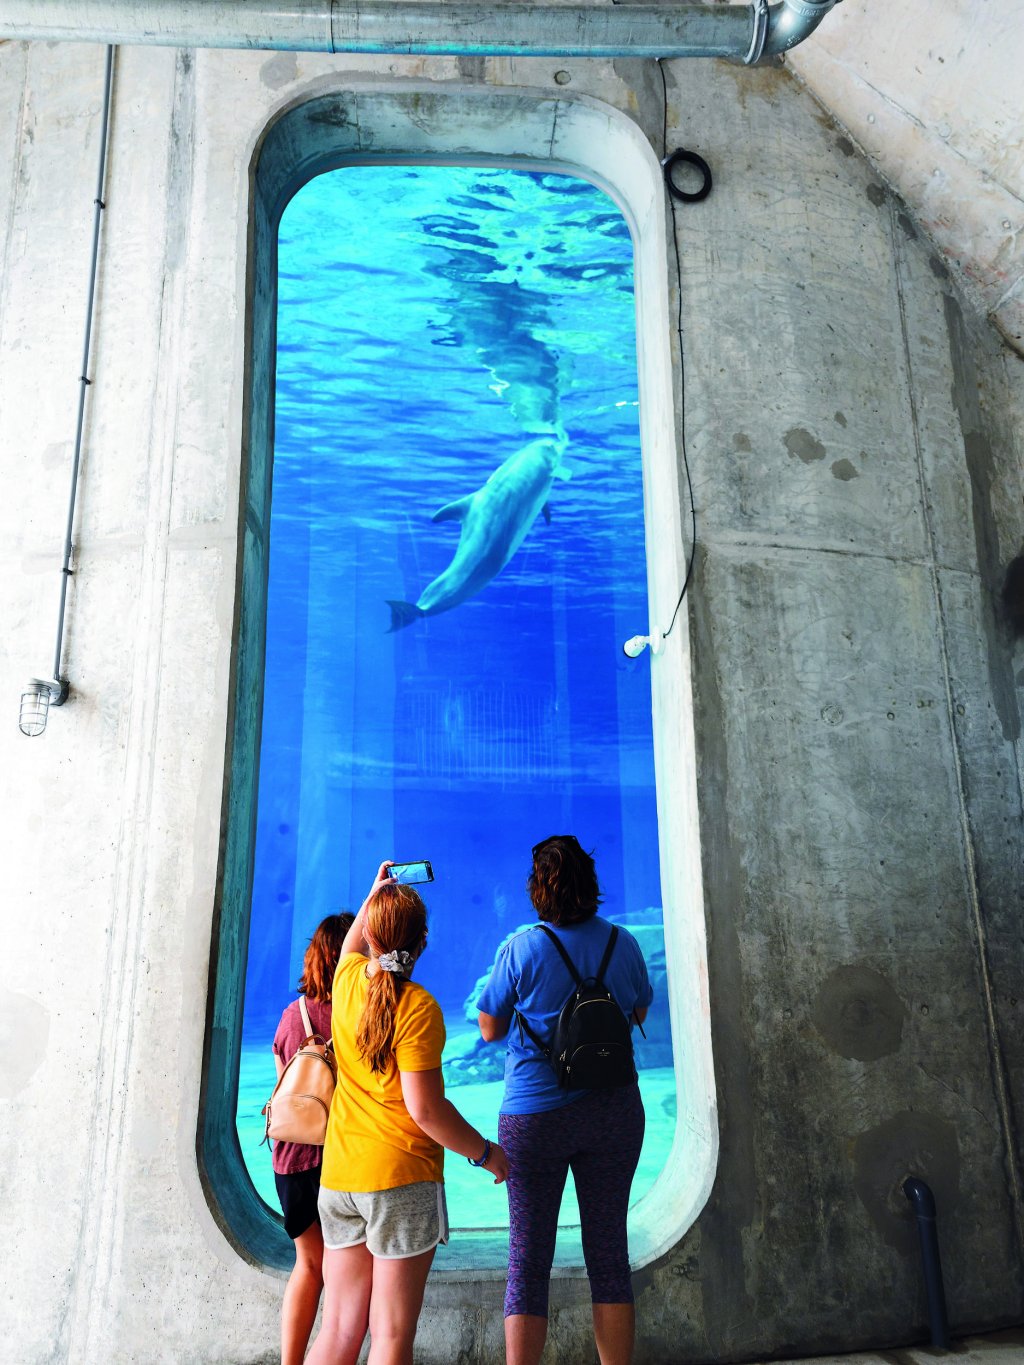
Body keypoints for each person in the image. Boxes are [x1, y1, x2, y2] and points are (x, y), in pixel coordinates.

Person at [306, 862, 509, 1365]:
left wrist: (375, 892)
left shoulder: (347, 982)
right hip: (400, 1183)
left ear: (371, 934)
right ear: (422, 943)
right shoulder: (418, 1007)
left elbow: (354, 946)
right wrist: (486, 1154)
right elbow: (426, 1109)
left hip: (339, 1180)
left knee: (337, 1329)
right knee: (391, 1336)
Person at [476, 835, 653, 1365]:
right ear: (591, 885)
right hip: (614, 1112)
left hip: (536, 1118)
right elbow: (638, 1013)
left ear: (537, 889)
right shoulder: (623, 943)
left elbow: (488, 1028)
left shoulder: (522, 948)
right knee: (608, 1256)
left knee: (528, 1261)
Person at [271, 912, 355, 1365]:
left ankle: (292, 1360)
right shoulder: (355, 1011)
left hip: (290, 1159)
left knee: (308, 1265)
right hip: (339, 1158)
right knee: (344, 1274)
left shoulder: (292, 1015)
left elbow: (284, 1080)